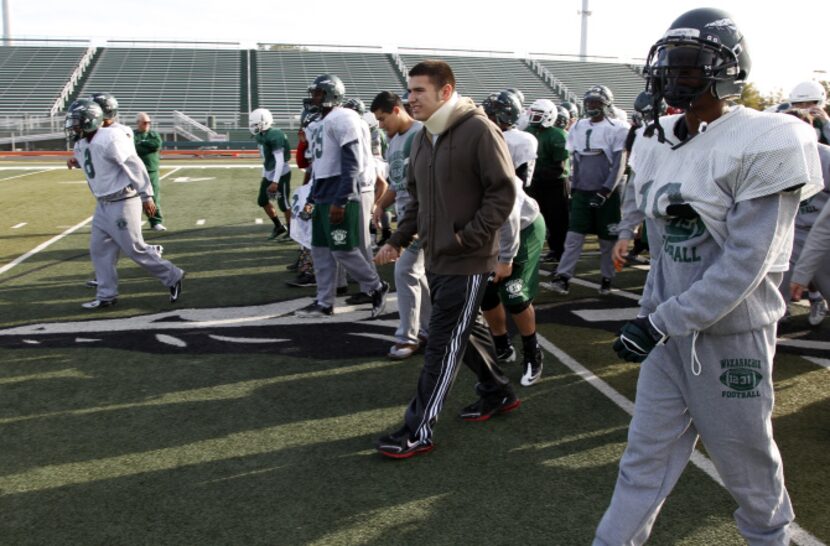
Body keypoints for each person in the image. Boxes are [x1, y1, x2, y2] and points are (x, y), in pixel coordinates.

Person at [594, 8, 823, 545]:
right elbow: (665, 248)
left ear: (727, 71)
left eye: (692, 65)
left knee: (748, 469)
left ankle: (769, 539)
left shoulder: (769, 136)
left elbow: (747, 262)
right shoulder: (654, 138)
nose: (676, 75)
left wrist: (661, 320)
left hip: (731, 336)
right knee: (642, 460)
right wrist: (651, 315)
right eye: (671, 63)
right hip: (669, 337)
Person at [373, 60, 518, 459]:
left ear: (446, 91)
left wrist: (466, 238)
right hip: (436, 255)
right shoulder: (423, 138)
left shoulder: (478, 130)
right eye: (410, 90)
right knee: (461, 333)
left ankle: (418, 429)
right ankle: (497, 391)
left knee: (441, 343)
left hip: (468, 259)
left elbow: (502, 194)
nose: (410, 98)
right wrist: (398, 239)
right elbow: (418, 201)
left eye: (420, 90)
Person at [65, 99, 185, 309]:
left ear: (90, 121)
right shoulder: (82, 142)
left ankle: (173, 275)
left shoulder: (110, 137)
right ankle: (106, 295)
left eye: (76, 122)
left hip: (123, 200)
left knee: (135, 249)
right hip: (103, 203)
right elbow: (95, 163)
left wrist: (146, 196)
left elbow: (134, 165)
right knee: (99, 250)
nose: (73, 126)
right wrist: (76, 162)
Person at [294, 74, 388, 319]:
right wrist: (313, 198)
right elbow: (320, 166)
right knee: (320, 250)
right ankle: (324, 302)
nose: (313, 97)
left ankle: (376, 287)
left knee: (343, 250)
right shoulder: (322, 121)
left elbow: (352, 162)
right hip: (323, 192)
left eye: (318, 93)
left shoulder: (345, 117)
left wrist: (342, 199)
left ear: (330, 94)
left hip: (340, 193)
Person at [481, 91, 546, 386]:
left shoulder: (502, 144)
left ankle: (533, 352)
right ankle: (502, 345)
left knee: (514, 293)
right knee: (486, 292)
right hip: (493, 226)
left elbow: (507, 207)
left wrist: (505, 258)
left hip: (522, 223)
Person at [545, 85, 628, 296]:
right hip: (582, 190)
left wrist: (606, 191)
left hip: (606, 193)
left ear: (606, 104)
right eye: (589, 102)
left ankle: (608, 277)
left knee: (607, 240)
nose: (591, 106)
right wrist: (575, 188)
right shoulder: (579, 126)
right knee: (573, 238)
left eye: (596, 102)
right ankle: (563, 277)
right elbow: (577, 160)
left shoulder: (618, 127)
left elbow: (619, 163)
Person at [371, 90, 430, 360]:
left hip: (421, 217)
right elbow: (397, 184)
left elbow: (425, 186)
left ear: (396, 110)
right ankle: (429, 328)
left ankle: (408, 337)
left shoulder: (422, 133)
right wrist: (381, 204)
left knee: (404, 271)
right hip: (407, 217)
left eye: (383, 118)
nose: (381, 125)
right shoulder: (395, 141)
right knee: (416, 274)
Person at [524, 98, 570, 263]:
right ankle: (547, 248)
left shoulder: (558, 135)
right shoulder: (529, 130)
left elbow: (559, 166)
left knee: (557, 219)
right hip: (536, 181)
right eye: (534, 113)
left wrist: (535, 172)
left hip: (555, 183)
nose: (534, 117)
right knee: (535, 216)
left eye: (539, 114)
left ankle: (560, 250)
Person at [249, 108, 290, 241]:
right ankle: (279, 226)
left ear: (264, 122)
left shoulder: (275, 135)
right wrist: (265, 175)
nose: (253, 127)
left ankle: (293, 231)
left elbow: (279, 161)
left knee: (283, 204)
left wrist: (275, 182)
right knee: (262, 200)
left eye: (255, 124)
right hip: (269, 173)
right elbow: (267, 159)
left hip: (281, 174)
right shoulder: (261, 135)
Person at [134, 112, 166, 231]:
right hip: (136, 172)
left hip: (151, 170)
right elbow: (134, 149)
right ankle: (133, 222)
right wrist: (145, 146)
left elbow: (156, 145)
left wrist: (143, 144)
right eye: (144, 122)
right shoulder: (133, 135)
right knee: (133, 199)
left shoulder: (154, 134)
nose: (147, 124)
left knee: (153, 198)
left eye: (149, 122)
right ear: (138, 123)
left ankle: (155, 222)